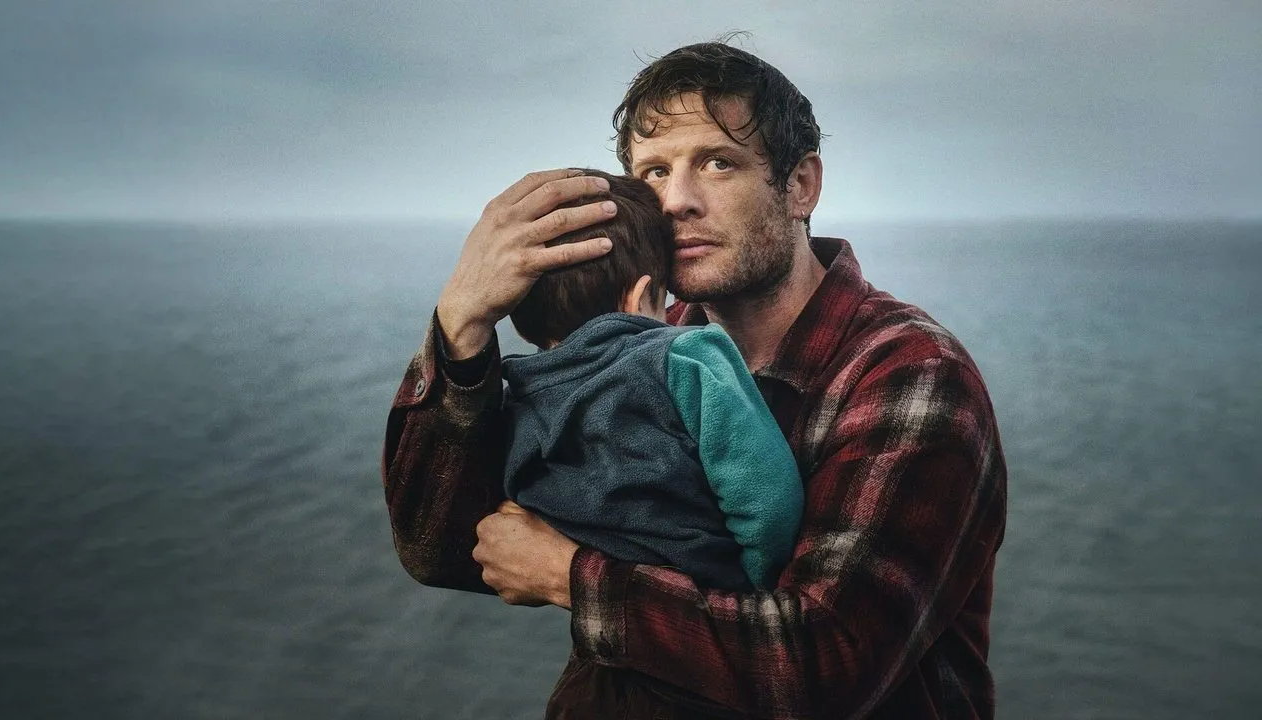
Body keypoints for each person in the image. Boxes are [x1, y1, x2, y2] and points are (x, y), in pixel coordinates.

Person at [382, 41, 1008, 719]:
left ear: (801, 186)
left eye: (717, 162)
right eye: (653, 171)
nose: (676, 201)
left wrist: (569, 576)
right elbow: (440, 549)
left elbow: (823, 667)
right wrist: (462, 327)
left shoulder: (909, 374)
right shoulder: (637, 346)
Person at [503, 168, 803, 593]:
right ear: (641, 296)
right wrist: (755, 582)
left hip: (592, 600)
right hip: (715, 593)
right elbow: (769, 502)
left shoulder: (517, 401)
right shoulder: (688, 355)